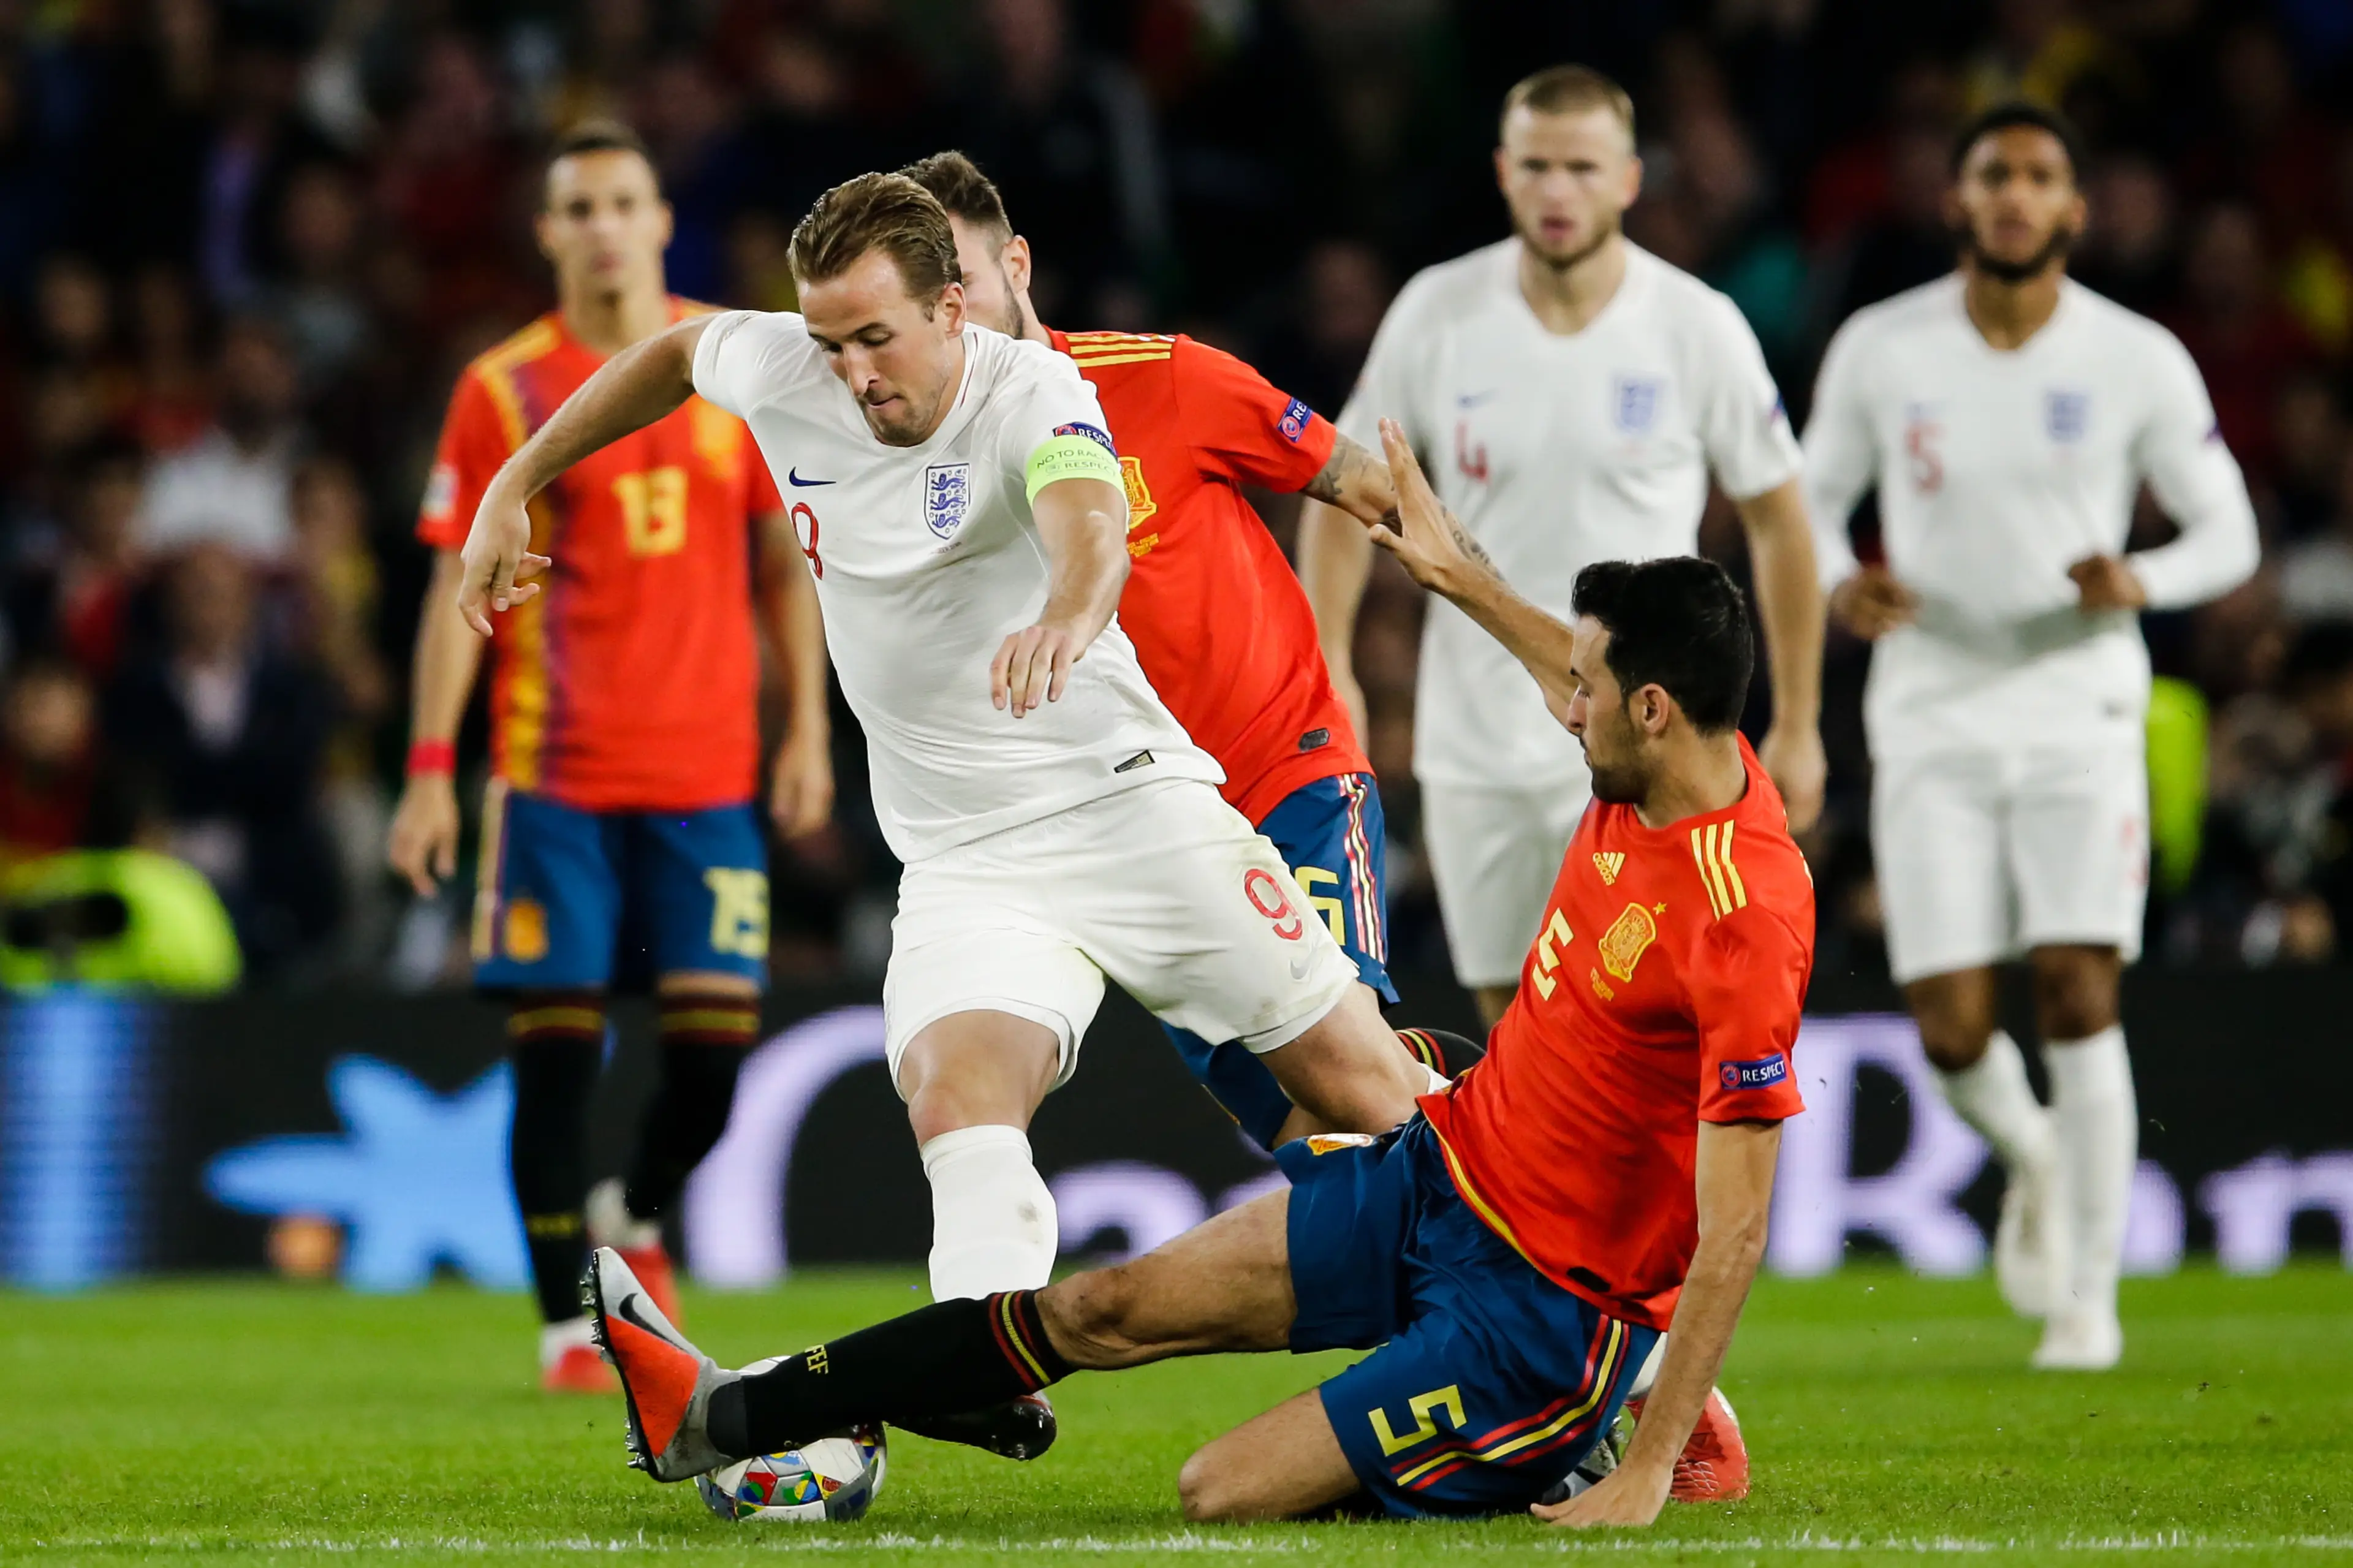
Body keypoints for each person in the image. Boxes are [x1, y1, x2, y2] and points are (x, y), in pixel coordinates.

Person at [586, 449, 1813, 1526]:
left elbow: (1737, 1224)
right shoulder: (1654, 753)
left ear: (1652, 712)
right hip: (1436, 1178)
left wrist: (1652, 1468)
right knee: (1100, 1309)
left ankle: (1584, 1432)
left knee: (1218, 1489)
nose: (1566, 701)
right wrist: (1458, 580)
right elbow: (1580, 660)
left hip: (1544, 1311)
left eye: (1587, 692)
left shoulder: (1741, 912)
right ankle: (722, 1416)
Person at [453, 172, 1441, 1458]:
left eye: (878, 337)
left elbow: (1091, 525)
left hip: (1134, 813)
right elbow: (671, 353)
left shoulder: (1031, 391)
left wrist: (1070, 616)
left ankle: (1604, 1342)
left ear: (956, 307)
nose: (854, 371)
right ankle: (985, 1360)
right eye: (830, 341)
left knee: (1369, 1089)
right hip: (970, 858)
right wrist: (513, 483)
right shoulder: (786, 370)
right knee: (955, 1094)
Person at [901, 149, 1481, 1153]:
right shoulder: (929, 468)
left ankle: (1528, 1255)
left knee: (1347, 1094)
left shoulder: (1165, 377)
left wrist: (1521, 632)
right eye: (925, 295)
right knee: (1303, 1130)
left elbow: (1372, 490)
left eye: (963, 278)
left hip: (1284, 775)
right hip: (1150, 839)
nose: (950, 312)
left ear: (1019, 267)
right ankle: (1486, 1144)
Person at [1802, 103, 2259, 1371]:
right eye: (1992, 174)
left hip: (2079, 704)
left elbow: (2228, 530)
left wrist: (2148, 581)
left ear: (2076, 210)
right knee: (1949, 1024)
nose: (2014, 195)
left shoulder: (2136, 357)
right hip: (1934, 701)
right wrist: (1843, 579)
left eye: (2039, 177)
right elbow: (1810, 504)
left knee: (2077, 992)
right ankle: (2042, 1153)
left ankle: (2087, 1301)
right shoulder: (1883, 349)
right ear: (1955, 202)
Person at [384, 121, 835, 1395]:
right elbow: (452, 589)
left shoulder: (734, 362)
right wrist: (429, 767)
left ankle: (631, 1212)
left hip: (707, 783)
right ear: (549, 233)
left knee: (711, 1061)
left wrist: (805, 726)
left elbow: (782, 565)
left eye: (622, 201)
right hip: (555, 782)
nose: (600, 226)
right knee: (554, 1057)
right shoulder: (502, 390)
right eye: (576, 207)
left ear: (657, 220)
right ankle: (566, 1326)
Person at [1297, 62, 1828, 1030]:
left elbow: (1783, 519)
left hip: (1647, 744)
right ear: (1503, 172)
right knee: (1522, 1031)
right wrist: (1334, 665)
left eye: (1581, 167)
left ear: (1630, 179)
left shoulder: (1693, 324)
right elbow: (1341, 487)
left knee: (1654, 1020)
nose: (1556, 191)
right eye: (1536, 165)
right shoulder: (1437, 312)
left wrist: (1798, 717)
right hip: (1480, 743)